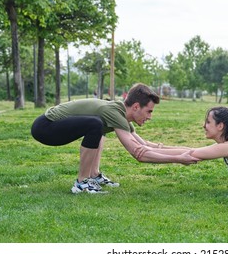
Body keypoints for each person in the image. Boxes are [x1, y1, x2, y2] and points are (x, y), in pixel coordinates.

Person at [31, 83, 198, 194]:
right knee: (95, 124)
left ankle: (94, 175)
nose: (150, 117)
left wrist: (190, 152)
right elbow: (138, 153)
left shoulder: (119, 114)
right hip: (45, 127)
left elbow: (146, 145)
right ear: (136, 107)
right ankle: (81, 183)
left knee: (98, 126)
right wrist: (177, 158)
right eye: (149, 111)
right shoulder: (114, 113)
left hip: (51, 126)